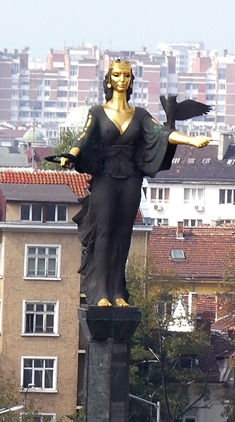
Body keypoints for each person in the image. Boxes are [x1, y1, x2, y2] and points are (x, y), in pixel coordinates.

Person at [57, 60, 212, 305]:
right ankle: (100, 292)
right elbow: (84, 137)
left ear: (131, 80)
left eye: (126, 75)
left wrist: (191, 141)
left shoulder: (139, 114)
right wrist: (71, 155)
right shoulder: (97, 112)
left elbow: (161, 133)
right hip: (106, 178)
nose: (122, 80)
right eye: (117, 75)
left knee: (123, 235)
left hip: (130, 179)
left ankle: (118, 291)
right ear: (109, 79)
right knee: (105, 232)